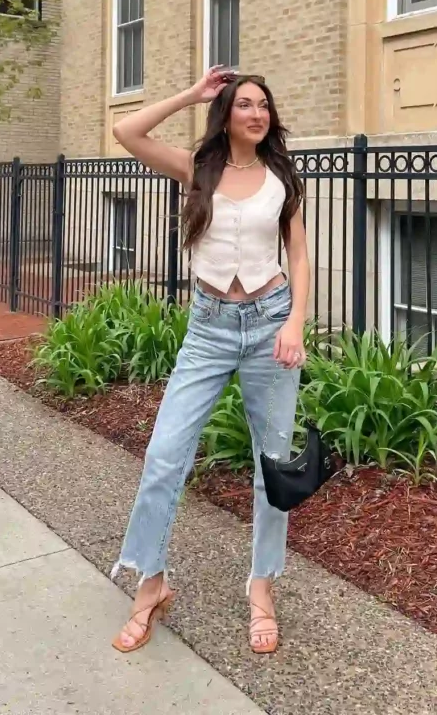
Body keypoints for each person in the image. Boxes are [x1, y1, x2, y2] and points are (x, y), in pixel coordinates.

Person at [109, 66, 309, 656]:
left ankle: (262, 587)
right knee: (164, 454)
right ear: (226, 113)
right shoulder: (198, 168)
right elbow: (127, 131)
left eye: (263, 106)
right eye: (244, 104)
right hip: (210, 328)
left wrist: (296, 321)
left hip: (271, 322)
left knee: (272, 466)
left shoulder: (282, 177)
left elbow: (299, 255)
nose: (256, 113)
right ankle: (150, 584)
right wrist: (190, 95)